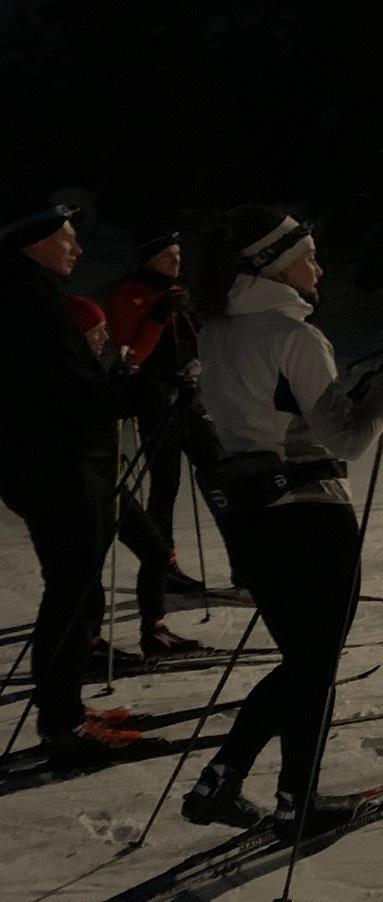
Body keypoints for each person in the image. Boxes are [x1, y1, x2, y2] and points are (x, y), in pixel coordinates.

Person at [178, 206, 383, 832]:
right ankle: (291, 799)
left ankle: (231, 782)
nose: (319, 268)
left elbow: (283, 408)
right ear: (276, 266)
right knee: (315, 664)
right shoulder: (294, 335)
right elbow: (345, 439)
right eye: (308, 257)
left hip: (251, 515)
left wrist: (366, 376)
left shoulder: (218, 330)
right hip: (312, 515)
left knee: (303, 663)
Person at [0, 196, 145, 758]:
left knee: (75, 590)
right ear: (35, 243)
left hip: (47, 464)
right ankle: (63, 723)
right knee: (72, 593)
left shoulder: (27, 297)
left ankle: (66, 710)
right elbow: (69, 394)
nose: (78, 249)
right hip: (57, 466)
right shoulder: (30, 306)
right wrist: (131, 391)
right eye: (67, 238)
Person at [62, 295, 202, 658]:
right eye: (96, 331)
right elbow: (94, 409)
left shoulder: (91, 366)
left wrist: (141, 389)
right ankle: (89, 643)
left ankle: (154, 629)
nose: (104, 338)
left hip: (108, 481)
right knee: (88, 566)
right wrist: (136, 393)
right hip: (81, 483)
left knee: (155, 550)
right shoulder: (66, 370)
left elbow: (113, 400)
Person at [106, 227, 205, 594]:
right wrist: (159, 315)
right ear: (148, 259)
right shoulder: (129, 293)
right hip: (154, 396)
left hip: (188, 391)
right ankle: (164, 562)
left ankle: (246, 563)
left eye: (178, 255)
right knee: (166, 482)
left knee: (219, 469)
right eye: (167, 256)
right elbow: (134, 354)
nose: (175, 262)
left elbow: (197, 340)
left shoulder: (176, 290)